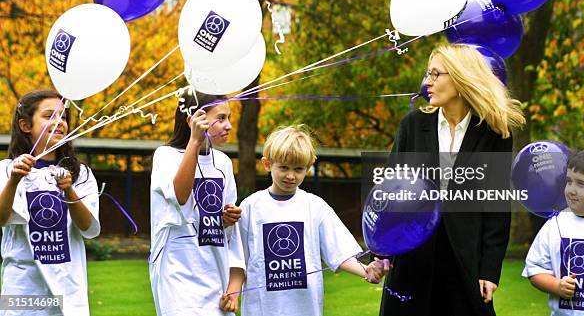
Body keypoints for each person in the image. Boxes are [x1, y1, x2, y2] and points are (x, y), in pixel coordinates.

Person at [380, 45, 526, 316]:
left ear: (460, 78)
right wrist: (383, 250)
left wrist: (490, 270)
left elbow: (495, 207)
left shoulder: (495, 133)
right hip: (412, 255)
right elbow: (391, 192)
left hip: (464, 260)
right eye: (428, 74)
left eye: (435, 74)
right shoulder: (412, 125)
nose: (427, 82)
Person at [220, 125, 390, 316]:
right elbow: (238, 259)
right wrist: (233, 293)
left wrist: (366, 271)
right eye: (283, 167)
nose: (291, 175)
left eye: (298, 169)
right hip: (262, 310)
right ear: (267, 164)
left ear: (308, 168)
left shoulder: (315, 206)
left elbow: (340, 253)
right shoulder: (250, 207)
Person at [0, 90, 100, 316]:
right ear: (26, 125)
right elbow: (1, 219)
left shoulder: (79, 172)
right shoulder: (6, 169)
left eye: (63, 117)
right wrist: (14, 180)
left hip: (68, 287)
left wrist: (69, 191)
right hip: (22, 287)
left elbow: (90, 229)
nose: (60, 122)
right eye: (49, 116)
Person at [149, 90, 243, 316]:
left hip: (215, 272)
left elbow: (229, 232)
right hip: (177, 272)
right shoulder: (165, 156)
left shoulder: (223, 163)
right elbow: (180, 197)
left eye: (228, 118)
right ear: (195, 118)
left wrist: (227, 218)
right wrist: (195, 140)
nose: (228, 126)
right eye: (221, 118)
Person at [522, 149, 584, 315]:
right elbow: (535, 270)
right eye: (569, 181)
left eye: (581, 184)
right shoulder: (555, 224)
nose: (571, 190)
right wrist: (556, 286)